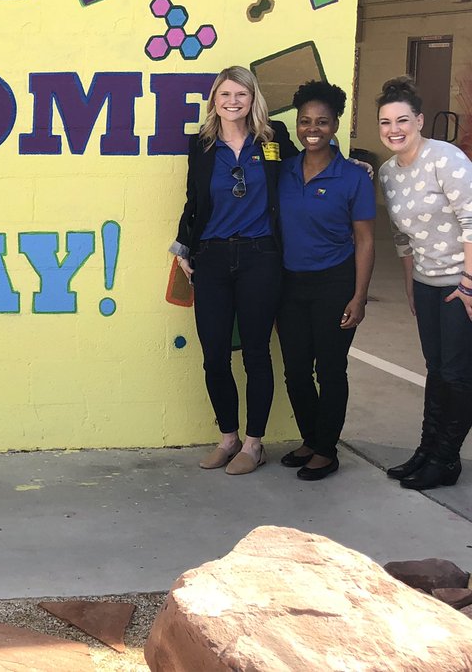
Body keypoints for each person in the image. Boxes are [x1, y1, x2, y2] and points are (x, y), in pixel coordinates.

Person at [171, 66, 296, 475]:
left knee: (257, 352)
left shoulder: (273, 137)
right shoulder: (202, 144)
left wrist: (352, 168)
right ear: (215, 100)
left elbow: (307, 169)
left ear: (253, 98)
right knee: (214, 355)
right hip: (212, 258)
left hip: (261, 256)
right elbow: (193, 199)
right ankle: (229, 439)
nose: (233, 101)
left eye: (241, 94)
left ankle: (255, 444)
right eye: (225, 94)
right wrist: (182, 247)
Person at [276, 81, 375, 481]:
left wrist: (360, 296)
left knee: (330, 370)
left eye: (321, 121)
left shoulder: (353, 177)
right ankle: (311, 438)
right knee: (296, 371)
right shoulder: (283, 170)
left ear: (335, 125)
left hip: (334, 283)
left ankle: (326, 450)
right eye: (305, 121)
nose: (312, 129)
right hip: (289, 286)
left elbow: (365, 240)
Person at [377, 77, 472, 490]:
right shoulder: (388, 173)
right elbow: (402, 236)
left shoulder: (445, 159)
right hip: (427, 280)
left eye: (402, 120)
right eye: (385, 122)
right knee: (436, 369)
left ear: (419, 121)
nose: (394, 129)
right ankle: (427, 449)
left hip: (461, 281)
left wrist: (468, 282)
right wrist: (410, 283)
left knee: (457, 373)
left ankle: (446, 458)